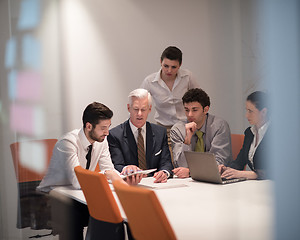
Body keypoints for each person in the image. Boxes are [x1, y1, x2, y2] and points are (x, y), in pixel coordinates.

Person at [37, 102, 137, 240]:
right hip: (51, 195)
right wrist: (107, 175)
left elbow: (109, 169)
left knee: (113, 209)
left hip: (77, 193)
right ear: (89, 126)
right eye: (103, 128)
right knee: (74, 214)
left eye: (108, 127)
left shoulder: (102, 140)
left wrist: (124, 178)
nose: (107, 132)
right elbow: (78, 181)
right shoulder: (67, 143)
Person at [141, 46, 199, 160]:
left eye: (174, 67)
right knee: (170, 162)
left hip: (186, 126)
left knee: (190, 161)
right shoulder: (150, 81)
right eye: (166, 66)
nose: (169, 70)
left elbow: (199, 99)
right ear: (160, 62)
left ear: (180, 65)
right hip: (164, 129)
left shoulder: (187, 77)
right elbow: (139, 103)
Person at [107, 88, 173, 183]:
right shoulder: (115, 135)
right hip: (130, 184)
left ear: (149, 109)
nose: (139, 114)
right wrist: (126, 168)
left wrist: (164, 172)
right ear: (129, 108)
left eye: (143, 109)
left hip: (155, 183)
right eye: (136, 109)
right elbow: (116, 165)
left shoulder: (160, 132)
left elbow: (166, 162)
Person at [171, 88, 233, 178]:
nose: (190, 115)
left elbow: (219, 162)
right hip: (188, 182)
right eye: (187, 110)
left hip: (218, 178)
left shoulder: (219, 126)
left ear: (205, 109)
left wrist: (190, 172)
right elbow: (180, 165)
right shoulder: (177, 130)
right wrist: (187, 140)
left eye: (194, 110)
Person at [219, 91, 270, 180]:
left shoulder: (276, 135)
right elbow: (239, 162)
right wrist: (227, 169)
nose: (246, 115)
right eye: (246, 110)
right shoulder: (249, 133)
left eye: (250, 111)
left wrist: (243, 174)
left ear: (264, 112)